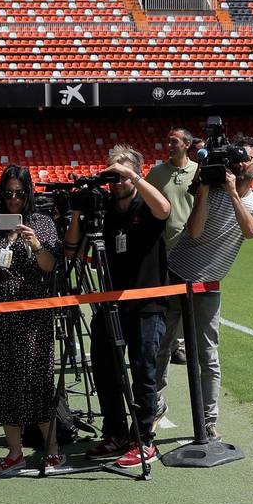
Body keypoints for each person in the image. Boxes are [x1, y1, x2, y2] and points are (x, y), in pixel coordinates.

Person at [155, 136, 253, 442]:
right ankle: (152, 405)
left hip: (209, 284)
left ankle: (209, 421)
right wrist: (205, 188)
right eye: (235, 157)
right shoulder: (212, 190)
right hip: (175, 273)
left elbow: (249, 231)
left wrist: (233, 192)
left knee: (209, 355)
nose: (237, 162)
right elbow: (193, 232)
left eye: (244, 158)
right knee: (162, 344)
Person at [69, 146, 172, 468]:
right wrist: (76, 209)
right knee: (105, 370)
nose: (116, 181)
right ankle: (114, 433)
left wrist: (134, 177)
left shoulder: (146, 204)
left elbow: (165, 209)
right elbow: (73, 247)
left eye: (122, 174)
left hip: (147, 304)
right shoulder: (104, 210)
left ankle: (144, 439)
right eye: (112, 174)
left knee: (143, 371)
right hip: (109, 304)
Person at [0, 165, 61, 475]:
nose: (14, 199)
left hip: (32, 316)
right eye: (8, 193)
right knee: (5, 383)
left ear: (29, 193)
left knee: (37, 380)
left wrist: (35, 245)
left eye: (20, 193)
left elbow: (48, 266)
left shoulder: (42, 224)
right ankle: (15, 452)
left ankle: (52, 450)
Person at [146, 128, 198, 369]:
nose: (169, 144)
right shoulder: (156, 173)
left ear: (187, 144)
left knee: (191, 301)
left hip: (193, 248)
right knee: (168, 303)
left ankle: (181, 345)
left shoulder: (199, 172)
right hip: (164, 249)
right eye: (168, 140)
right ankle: (169, 347)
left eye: (174, 141)